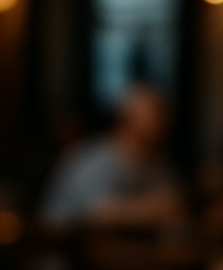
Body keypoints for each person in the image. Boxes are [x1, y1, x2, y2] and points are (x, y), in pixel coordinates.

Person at [40, 85, 184, 229]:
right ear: (126, 119)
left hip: (120, 247)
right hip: (66, 245)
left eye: (162, 117)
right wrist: (154, 210)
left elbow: (174, 203)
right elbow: (98, 214)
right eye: (153, 118)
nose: (159, 126)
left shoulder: (157, 163)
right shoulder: (93, 159)